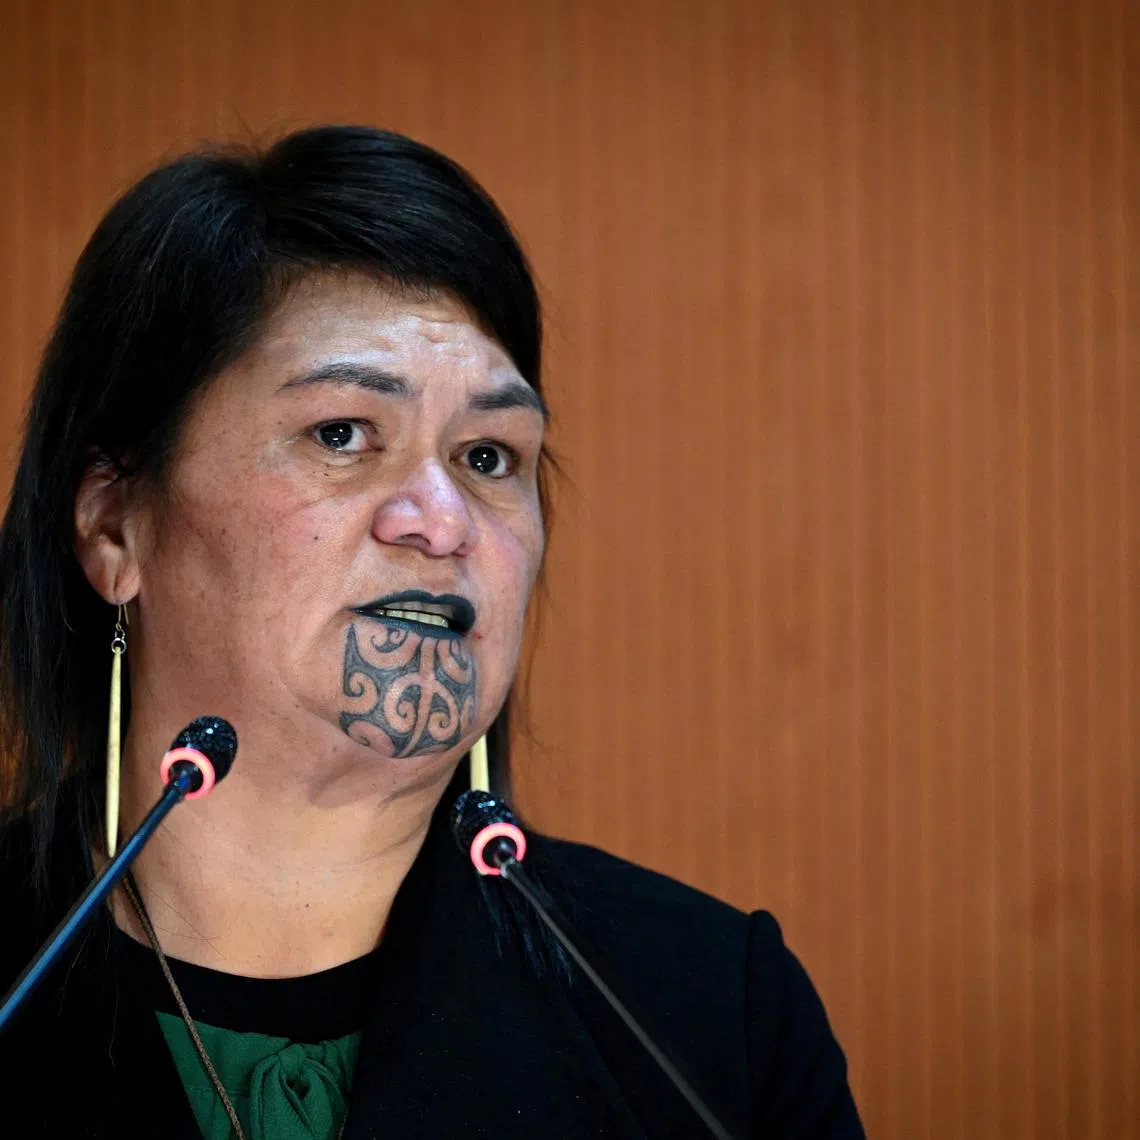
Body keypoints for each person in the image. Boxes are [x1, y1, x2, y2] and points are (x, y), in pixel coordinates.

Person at [0, 125, 864, 1139]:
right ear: (114, 526)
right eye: (342, 434)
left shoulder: (715, 1016)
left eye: (488, 456)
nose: (442, 522)